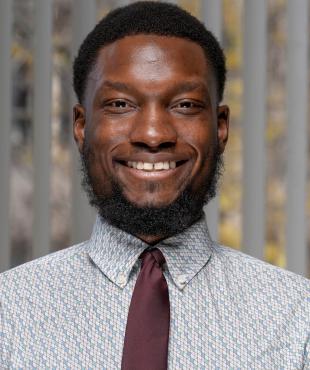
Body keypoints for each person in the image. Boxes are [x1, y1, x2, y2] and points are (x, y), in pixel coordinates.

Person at [0, 1, 309, 369]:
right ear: (81, 127)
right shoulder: (9, 313)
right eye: (119, 103)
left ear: (220, 126)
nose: (153, 134)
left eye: (184, 105)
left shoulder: (296, 318)